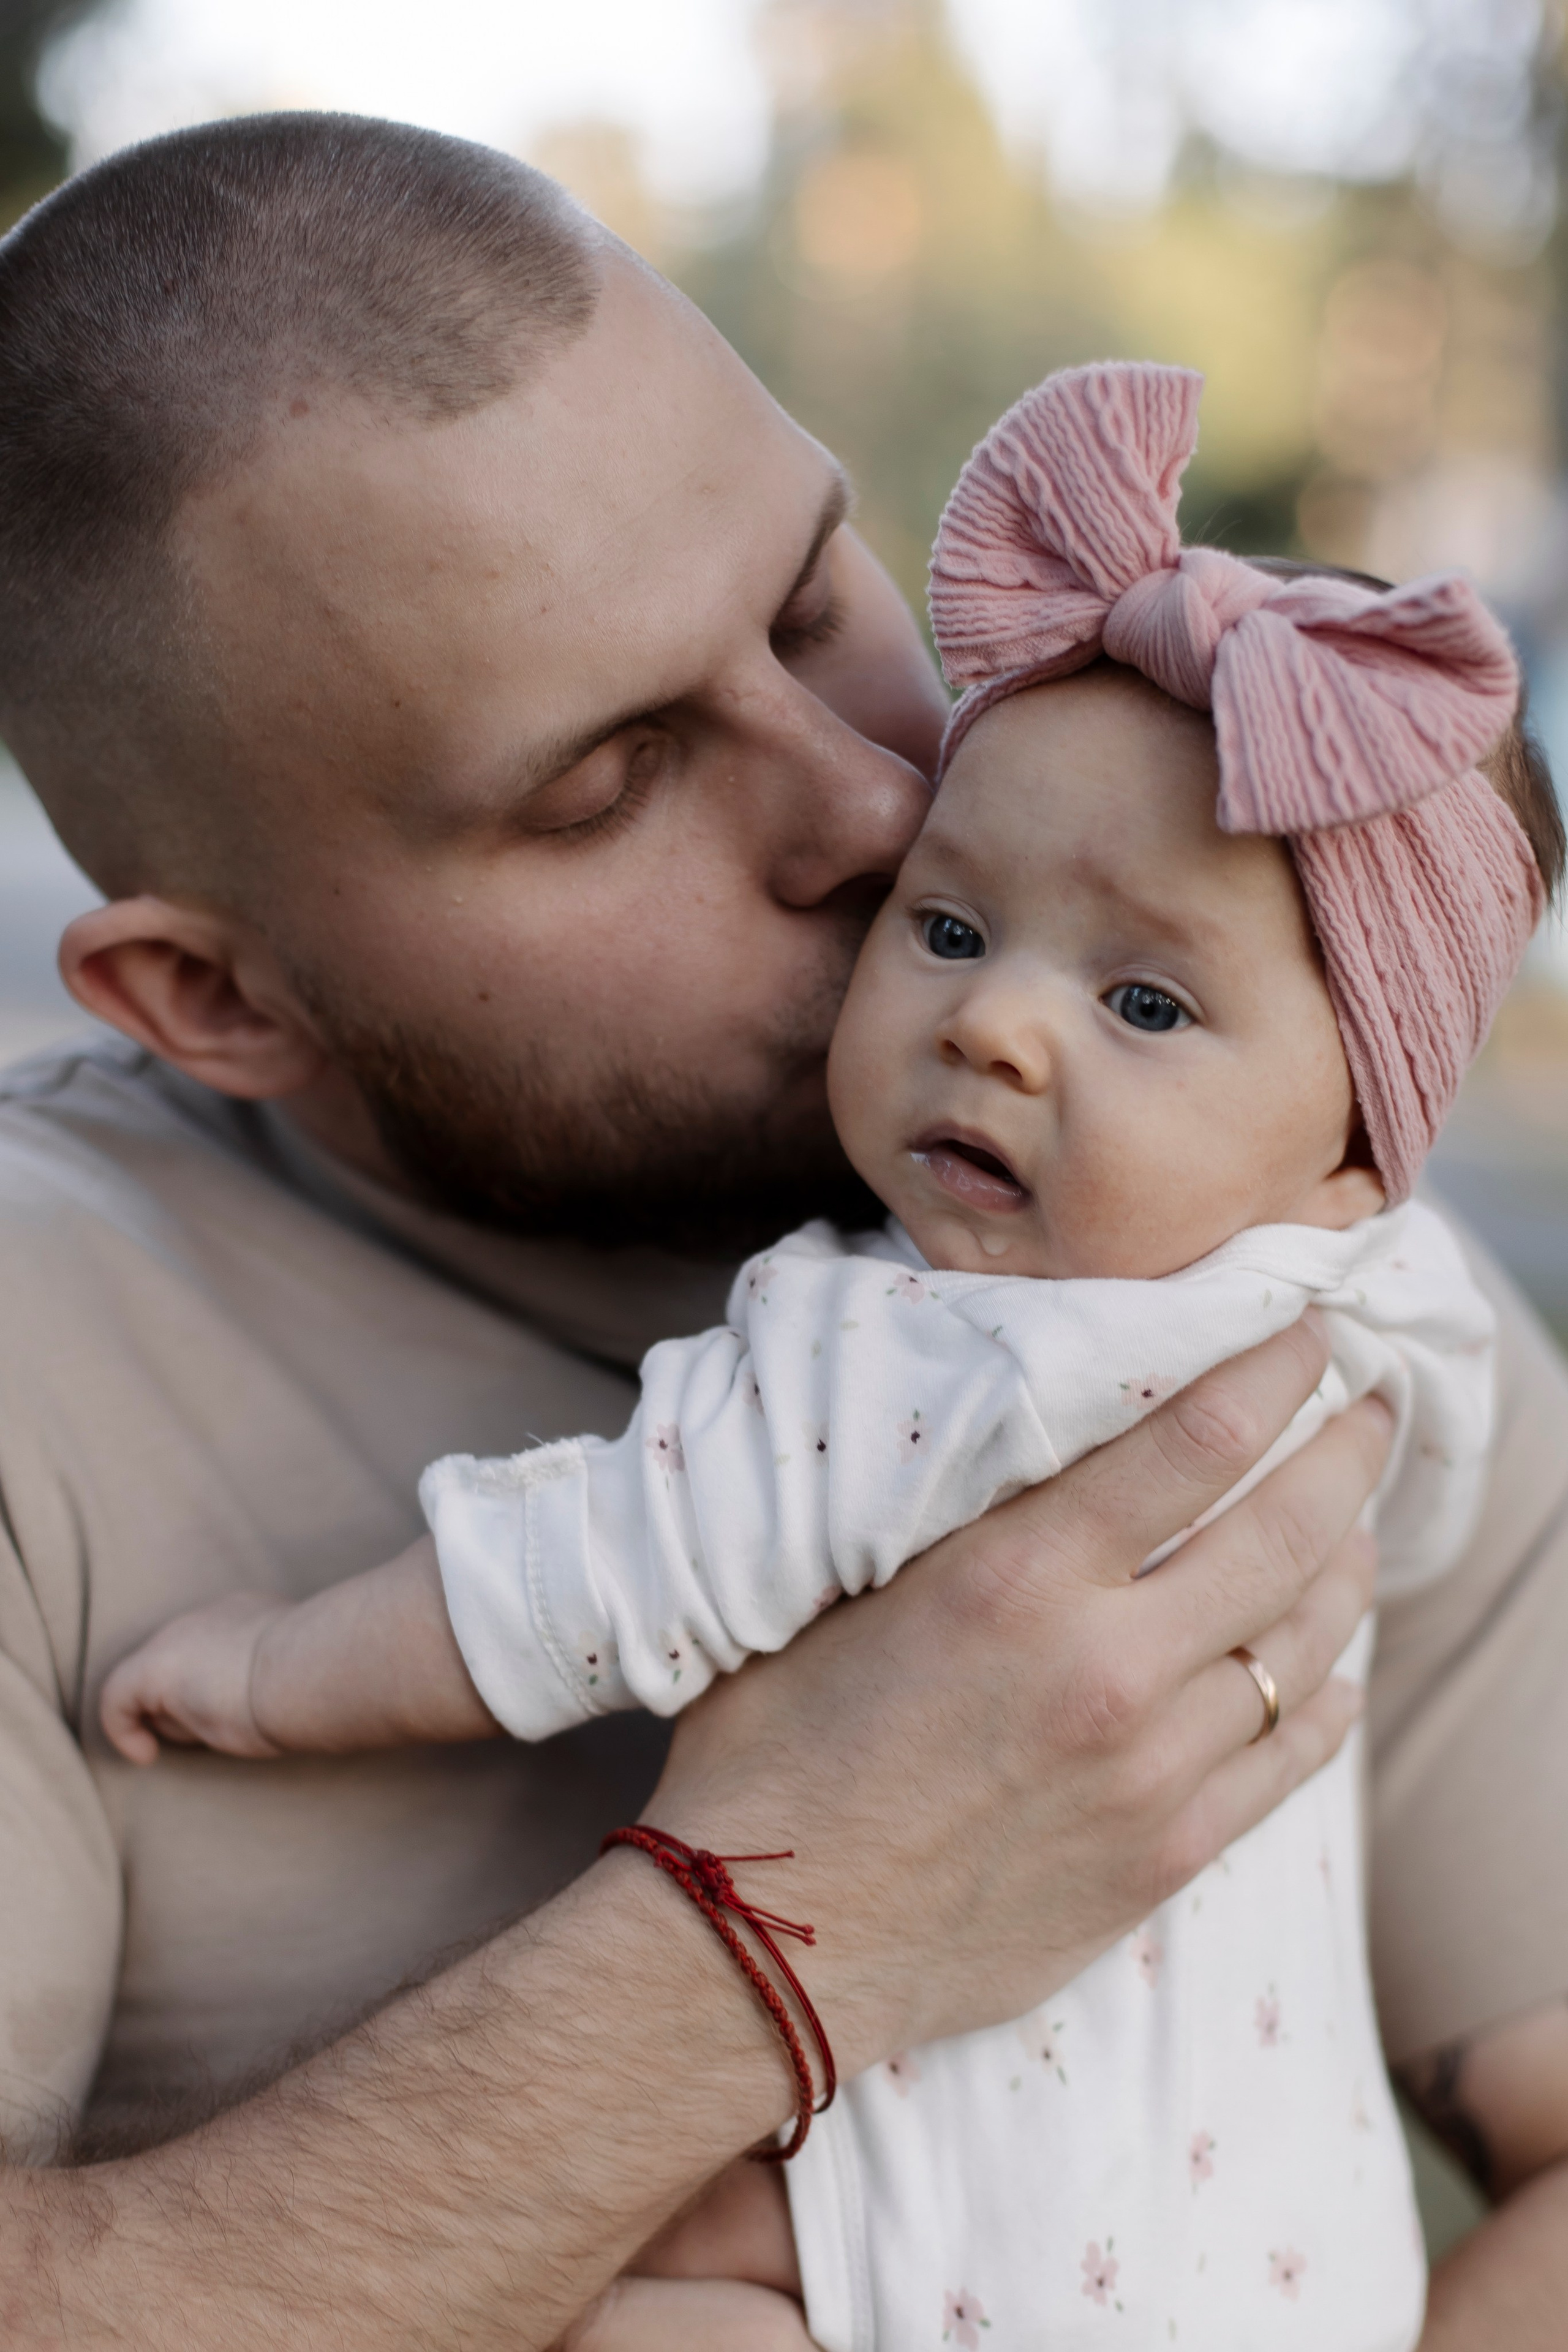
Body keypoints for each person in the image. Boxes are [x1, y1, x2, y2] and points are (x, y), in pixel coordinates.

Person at [0, 115, 1559, 2351]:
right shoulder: (37, 1362)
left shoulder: (1268, 1250)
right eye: (611, 781)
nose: (863, 801)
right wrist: (775, 1933)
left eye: (819, 595)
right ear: (215, 996)